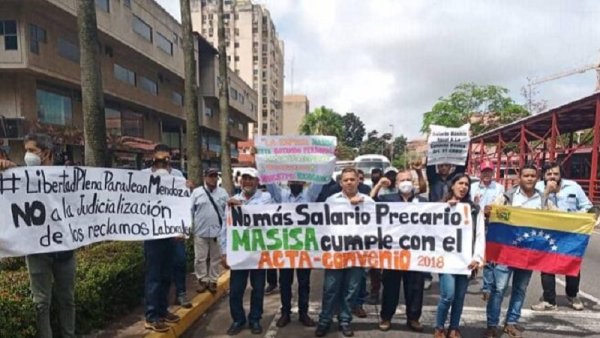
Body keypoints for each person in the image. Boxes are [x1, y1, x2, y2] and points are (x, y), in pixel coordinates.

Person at [0, 133, 77, 338]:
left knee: (67, 300)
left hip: (64, 252)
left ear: (46, 153)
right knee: (41, 304)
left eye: (32, 151)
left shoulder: (67, 177)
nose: (27, 155)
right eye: (26, 150)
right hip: (36, 251)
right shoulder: (18, 178)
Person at [484, 162, 552, 338]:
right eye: (526, 175)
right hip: (506, 252)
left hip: (528, 254)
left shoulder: (544, 200)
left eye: (532, 176)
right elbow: (491, 212)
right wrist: (488, 210)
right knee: (498, 289)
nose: (529, 179)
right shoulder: (506, 197)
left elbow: (558, 219)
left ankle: (511, 323)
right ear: (519, 178)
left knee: (520, 289)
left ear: (537, 178)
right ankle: (492, 324)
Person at [315, 168, 374, 337]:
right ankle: (324, 321)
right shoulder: (331, 201)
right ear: (341, 182)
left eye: (352, 179)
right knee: (330, 289)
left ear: (358, 181)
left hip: (357, 255)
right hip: (335, 253)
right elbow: (321, 225)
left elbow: (377, 225)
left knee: (351, 290)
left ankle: (345, 320)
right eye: (345, 180)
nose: (349, 182)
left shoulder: (368, 202)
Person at [530, 161, 592, 312]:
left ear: (560, 175)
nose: (552, 177)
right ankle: (549, 300)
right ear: (544, 176)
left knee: (572, 264)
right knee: (546, 266)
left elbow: (587, 206)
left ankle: (572, 295)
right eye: (549, 174)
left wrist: (576, 216)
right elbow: (533, 208)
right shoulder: (537, 187)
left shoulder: (573, 187)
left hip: (570, 233)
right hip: (547, 232)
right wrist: (546, 193)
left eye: (556, 174)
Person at [142, 144, 190, 332]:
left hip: (172, 235)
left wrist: (182, 230)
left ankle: (162, 311)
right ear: (153, 158)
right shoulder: (143, 176)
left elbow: (182, 205)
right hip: (153, 235)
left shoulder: (178, 176)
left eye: (166, 159)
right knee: (153, 276)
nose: (163, 163)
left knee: (166, 275)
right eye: (159, 159)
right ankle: (151, 315)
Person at [221, 168, 273, 335]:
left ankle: (255, 319)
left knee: (258, 288)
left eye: (251, 179)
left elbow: (266, 218)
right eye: (245, 179)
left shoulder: (266, 198)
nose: (248, 182)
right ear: (240, 181)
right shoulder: (232, 200)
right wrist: (224, 252)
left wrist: (241, 207)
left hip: (258, 252)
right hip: (239, 252)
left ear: (257, 181)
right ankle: (238, 319)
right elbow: (225, 228)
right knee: (236, 289)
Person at [266, 180, 323, 328]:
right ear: (289, 181)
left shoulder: (309, 195)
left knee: (304, 283)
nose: (295, 182)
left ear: (303, 181)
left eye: (299, 178)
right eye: (293, 178)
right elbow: (270, 183)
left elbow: (321, 179)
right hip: (286, 247)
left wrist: (328, 158)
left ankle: (303, 314)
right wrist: (263, 162)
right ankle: (285, 313)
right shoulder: (282, 196)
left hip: (304, 247)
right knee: (285, 282)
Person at [434, 173, 485, 338]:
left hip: (465, 260)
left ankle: (454, 328)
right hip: (446, 259)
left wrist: (477, 257)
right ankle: (439, 327)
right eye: (460, 183)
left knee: (460, 296)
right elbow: (431, 231)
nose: (463, 187)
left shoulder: (475, 209)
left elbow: (479, 235)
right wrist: (444, 209)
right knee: (448, 295)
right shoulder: (440, 206)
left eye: (466, 184)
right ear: (452, 185)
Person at [377, 168, 427, 332]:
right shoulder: (387, 199)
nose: (405, 183)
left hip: (415, 253)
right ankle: (386, 317)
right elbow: (368, 205)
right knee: (390, 287)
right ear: (396, 184)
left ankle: (413, 318)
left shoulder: (423, 202)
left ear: (413, 183)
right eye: (402, 180)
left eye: (408, 180)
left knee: (415, 287)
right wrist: (378, 185)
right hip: (393, 253)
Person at [425, 157, 467, 290]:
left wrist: (465, 145)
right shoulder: (433, 178)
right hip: (435, 217)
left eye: (446, 165)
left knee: (448, 244)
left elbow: (462, 164)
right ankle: (427, 276)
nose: (443, 168)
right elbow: (429, 164)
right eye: (441, 165)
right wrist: (433, 145)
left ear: (451, 166)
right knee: (429, 247)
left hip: (451, 217)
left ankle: (450, 269)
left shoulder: (454, 179)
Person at [191, 168, 229, 294]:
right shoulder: (196, 193)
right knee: (199, 258)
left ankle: (213, 280)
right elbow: (190, 210)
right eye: (210, 176)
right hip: (200, 231)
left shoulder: (223, 193)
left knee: (215, 258)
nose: (213, 178)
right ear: (205, 177)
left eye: (215, 176)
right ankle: (202, 280)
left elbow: (228, 212)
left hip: (217, 232)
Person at [471, 160, 505, 301]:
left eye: (489, 172)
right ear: (480, 172)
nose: (486, 174)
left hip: (491, 224)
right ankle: (471, 272)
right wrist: (475, 204)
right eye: (484, 171)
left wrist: (490, 210)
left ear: (493, 173)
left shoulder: (499, 188)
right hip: (474, 223)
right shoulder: (472, 187)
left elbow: (500, 205)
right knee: (473, 250)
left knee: (489, 255)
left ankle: (487, 286)